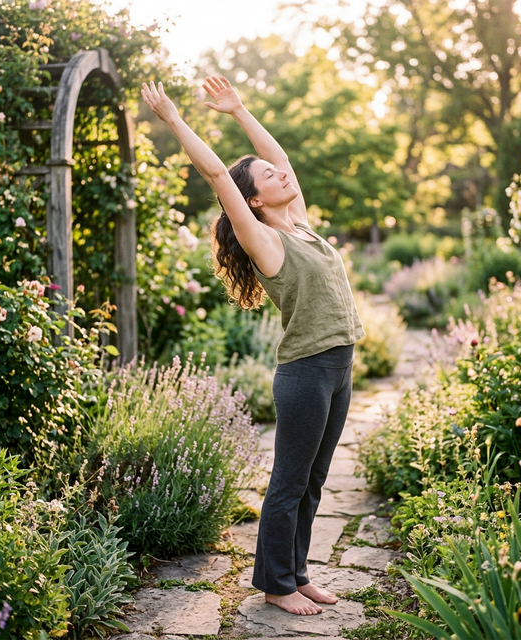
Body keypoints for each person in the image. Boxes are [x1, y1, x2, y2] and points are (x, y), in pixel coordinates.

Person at [141, 76, 364, 616]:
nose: (281, 172)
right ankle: (275, 584)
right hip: (306, 373)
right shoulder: (263, 238)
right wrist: (173, 119)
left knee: (314, 478)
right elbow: (219, 173)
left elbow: (279, 154)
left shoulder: (303, 226)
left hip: (340, 367)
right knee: (289, 480)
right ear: (255, 199)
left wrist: (239, 110)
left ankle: (298, 572)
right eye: (268, 176)